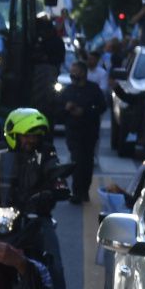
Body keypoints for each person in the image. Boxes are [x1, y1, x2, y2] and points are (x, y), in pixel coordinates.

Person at [0, 107, 75, 289]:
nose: (32, 140)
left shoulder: (46, 154)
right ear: (13, 134)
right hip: (5, 216)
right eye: (27, 135)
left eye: (36, 135)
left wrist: (57, 187)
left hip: (37, 220)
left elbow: (56, 173)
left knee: (55, 268)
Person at [58, 58, 104, 203]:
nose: (73, 75)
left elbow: (102, 107)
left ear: (83, 73)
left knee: (87, 162)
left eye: (75, 72)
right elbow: (57, 111)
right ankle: (77, 192)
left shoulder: (93, 89)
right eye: (71, 72)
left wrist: (84, 112)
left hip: (89, 131)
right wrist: (66, 109)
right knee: (76, 160)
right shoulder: (67, 91)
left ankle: (84, 190)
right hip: (73, 132)